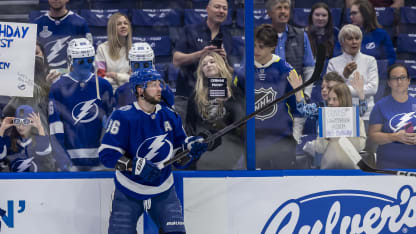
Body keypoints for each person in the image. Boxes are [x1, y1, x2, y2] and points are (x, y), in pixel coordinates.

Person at [98, 69, 208, 233]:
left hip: (163, 191)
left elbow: (179, 157)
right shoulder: (122, 117)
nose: (159, 89)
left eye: (159, 85)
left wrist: (191, 148)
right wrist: (133, 165)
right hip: (128, 191)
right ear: (140, 90)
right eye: (153, 85)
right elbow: (107, 155)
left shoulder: (170, 116)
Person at [48, 38, 113, 171]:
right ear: (71, 60)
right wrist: (62, 158)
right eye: (81, 61)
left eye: (89, 61)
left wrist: (108, 153)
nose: (85, 65)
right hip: (70, 160)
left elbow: (112, 123)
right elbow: (55, 126)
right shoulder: (57, 87)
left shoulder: (103, 85)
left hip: (100, 159)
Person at [242, 24, 299, 169]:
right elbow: (237, 104)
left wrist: (296, 135)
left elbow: (297, 107)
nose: (256, 51)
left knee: (284, 182)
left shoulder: (286, 70)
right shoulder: (245, 70)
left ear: (272, 46)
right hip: (255, 139)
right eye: (254, 46)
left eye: (261, 47)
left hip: (281, 139)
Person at [172, 0, 233, 125]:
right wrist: (200, 54)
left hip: (215, 94)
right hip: (188, 93)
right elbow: (176, 60)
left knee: (215, 134)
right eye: (217, 7)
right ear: (207, 9)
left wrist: (225, 59)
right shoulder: (190, 30)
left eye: (224, 8)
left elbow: (230, 70)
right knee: (186, 133)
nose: (221, 11)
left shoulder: (227, 35)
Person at [186, 51, 246, 170]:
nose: (208, 65)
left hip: (230, 149)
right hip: (205, 151)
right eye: (204, 64)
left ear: (220, 64)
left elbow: (242, 123)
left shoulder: (235, 91)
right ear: (201, 71)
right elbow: (190, 126)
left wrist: (229, 101)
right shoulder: (195, 96)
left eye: (212, 61)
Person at [303, 83, 366, 169]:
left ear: (344, 99)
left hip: (351, 170)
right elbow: (320, 148)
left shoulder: (356, 119)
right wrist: (326, 138)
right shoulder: (324, 118)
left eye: (334, 99)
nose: (330, 102)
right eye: (329, 99)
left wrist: (349, 135)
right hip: (328, 170)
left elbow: (360, 146)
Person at [327, 24, 379, 123]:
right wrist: (344, 76)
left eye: (357, 38)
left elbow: (373, 89)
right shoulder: (333, 62)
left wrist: (343, 89)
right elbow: (331, 89)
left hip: (366, 114)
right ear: (342, 42)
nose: (354, 42)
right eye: (350, 39)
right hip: (340, 113)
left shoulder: (370, 60)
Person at [369, 63, 416, 169]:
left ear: (408, 80)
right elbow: (373, 137)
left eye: (403, 77)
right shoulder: (380, 106)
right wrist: (394, 137)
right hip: (389, 167)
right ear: (389, 82)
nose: (399, 82)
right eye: (394, 78)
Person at [266, 0, 315, 97]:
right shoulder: (261, 36)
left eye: (286, 8)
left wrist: (306, 94)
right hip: (268, 94)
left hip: (294, 94)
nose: (283, 11)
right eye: (279, 8)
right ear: (269, 13)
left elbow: (309, 69)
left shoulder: (301, 36)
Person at [32, 0, 92, 73]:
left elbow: (89, 53)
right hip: (44, 77)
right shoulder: (36, 24)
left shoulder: (80, 23)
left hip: (72, 76)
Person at [114, 42, 175, 109]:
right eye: (137, 65)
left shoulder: (163, 89)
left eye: (146, 65)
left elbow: (171, 115)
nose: (141, 69)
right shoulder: (121, 91)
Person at [0, 105, 55, 172]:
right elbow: (1, 157)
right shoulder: (9, 141)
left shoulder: (38, 140)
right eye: (17, 121)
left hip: (35, 181)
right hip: (15, 181)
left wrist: (40, 127)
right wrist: (2, 129)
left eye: (25, 122)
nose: (20, 126)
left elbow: (44, 152)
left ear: (32, 123)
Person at [349, 0, 396, 65]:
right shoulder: (347, 34)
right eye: (350, 14)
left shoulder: (381, 34)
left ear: (365, 13)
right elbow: (338, 56)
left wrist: (375, 66)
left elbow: (391, 59)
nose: (351, 17)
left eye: (354, 13)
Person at [95, 12, 132, 91]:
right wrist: (125, 77)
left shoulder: (134, 50)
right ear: (112, 28)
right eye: (119, 24)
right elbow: (100, 77)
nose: (123, 26)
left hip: (128, 91)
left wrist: (116, 76)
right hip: (108, 91)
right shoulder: (102, 48)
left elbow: (135, 78)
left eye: (126, 23)